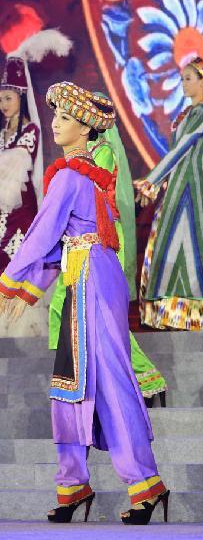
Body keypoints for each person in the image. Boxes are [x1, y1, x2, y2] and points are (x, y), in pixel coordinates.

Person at [0, 82, 168, 525]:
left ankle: (145, 484)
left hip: (91, 274)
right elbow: (58, 242)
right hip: (84, 270)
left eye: (66, 119)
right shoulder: (84, 173)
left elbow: (41, 234)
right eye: (55, 116)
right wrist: (26, 286)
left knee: (107, 377)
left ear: (88, 129)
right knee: (69, 380)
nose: (56, 123)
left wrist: (11, 280)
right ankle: (73, 485)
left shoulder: (74, 175)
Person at [48, 113, 168, 406]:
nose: (59, 123)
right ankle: (85, 377)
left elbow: (89, 199)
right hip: (80, 248)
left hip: (96, 248)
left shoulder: (102, 153)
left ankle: (144, 380)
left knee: (95, 318)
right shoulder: (88, 154)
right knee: (74, 313)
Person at [134, 57, 203, 330]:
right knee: (172, 244)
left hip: (191, 186)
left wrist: (151, 181)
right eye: (182, 78)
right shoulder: (192, 113)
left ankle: (196, 312)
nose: (184, 83)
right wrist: (159, 182)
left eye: (189, 78)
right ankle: (173, 313)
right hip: (178, 184)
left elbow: (180, 151)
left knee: (189, 245)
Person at [0, 31, 70, 336]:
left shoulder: (30, 131)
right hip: (1, 214)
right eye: (1, 98)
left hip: (21, 214)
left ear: (20, 98)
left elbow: (14, 175)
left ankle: (20, 326)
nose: (3, 104)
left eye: (8, 98)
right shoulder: (1, 136)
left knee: (18, 262)